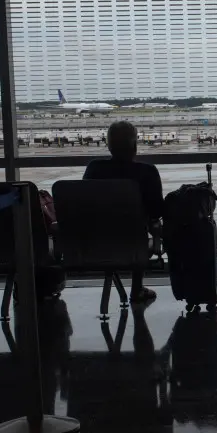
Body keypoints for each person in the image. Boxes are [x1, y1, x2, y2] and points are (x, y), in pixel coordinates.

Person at [83, 121, 163, 304]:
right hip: (134, 245)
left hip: (95, 244)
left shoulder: (94, 169)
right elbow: (157, 211)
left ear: (109, 145)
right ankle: (137, 288)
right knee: (139, 233)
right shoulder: (147, 172)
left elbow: (86, 204)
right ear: (134, 145)